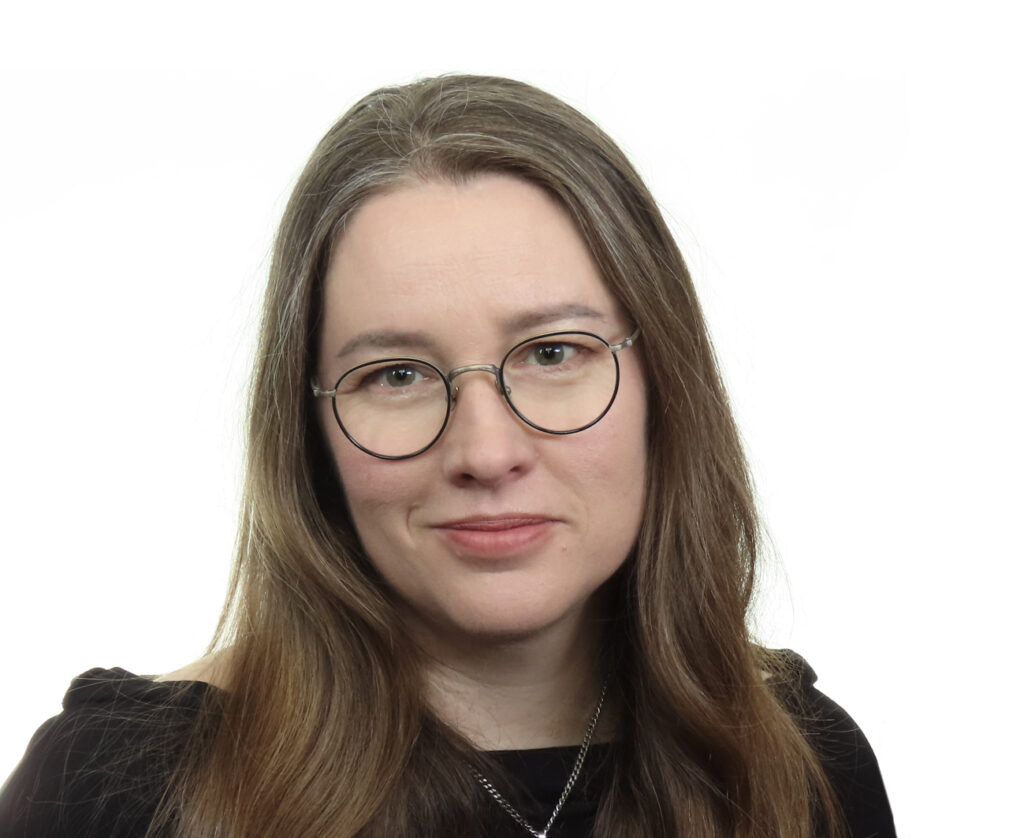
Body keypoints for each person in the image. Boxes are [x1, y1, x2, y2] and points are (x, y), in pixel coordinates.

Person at [0, 74, 896, 838]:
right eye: (396, 375)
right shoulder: (112, 792)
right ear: (308, 425)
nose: (486, 451)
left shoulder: (801, 767)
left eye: (554, 354)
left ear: (664, 382)